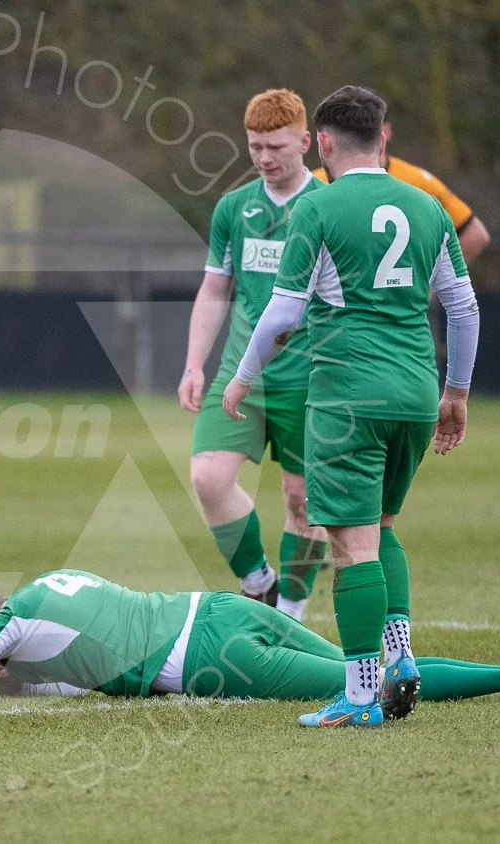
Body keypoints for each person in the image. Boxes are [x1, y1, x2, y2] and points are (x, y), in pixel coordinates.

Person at [221, 85, 481, 727]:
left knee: (351, 545)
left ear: (326, 143)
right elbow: (464, 308)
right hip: (418, 390)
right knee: (383, 526)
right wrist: (457, 392)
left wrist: (245, 373)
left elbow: (283, 313)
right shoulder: (426, 207)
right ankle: (401, 659)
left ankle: (361, 698)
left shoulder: (319, 208)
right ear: (382, 137)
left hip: (347, 396)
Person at [0, 569, 500, 707]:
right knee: (375, 668)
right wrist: (7, 677)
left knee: (370, 694)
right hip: (226, 609)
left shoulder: (5, 629)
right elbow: (74, 664)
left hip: (210, 658)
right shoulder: (53, 582)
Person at [179, 89, 329, 618]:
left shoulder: (328, 205)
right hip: (243, 372)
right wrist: (195, 363)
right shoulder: (234, 208)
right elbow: (216, 288)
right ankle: (258, 581)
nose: (265, 158)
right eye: (255, 147)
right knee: (207, 477)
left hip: (314, 378)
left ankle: (289, 613)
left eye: (277, 147)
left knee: (303, 502)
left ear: (306, 143)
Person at [311, 104, 490, 266]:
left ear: (386, 132)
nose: (360, 134)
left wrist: (433, 284)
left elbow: (475, 234)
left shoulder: (417, 181)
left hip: (403, 300)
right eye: (350, 128)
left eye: (367, 126)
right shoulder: (316, 182)